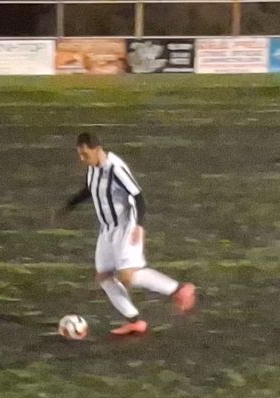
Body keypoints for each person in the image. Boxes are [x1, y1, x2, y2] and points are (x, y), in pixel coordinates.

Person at [57, 132, 196, 335]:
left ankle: (179, 289)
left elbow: (138, 196)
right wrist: (69, 206)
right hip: (107, 229)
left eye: (85, 154)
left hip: (125, 227)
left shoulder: (115, 169)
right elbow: (90, 189)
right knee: (104, 277)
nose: (82, 158)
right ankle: (134, 321)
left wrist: (140, 226)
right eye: (80, 154)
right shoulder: (93, 168)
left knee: (128, 276)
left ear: (97, 149)